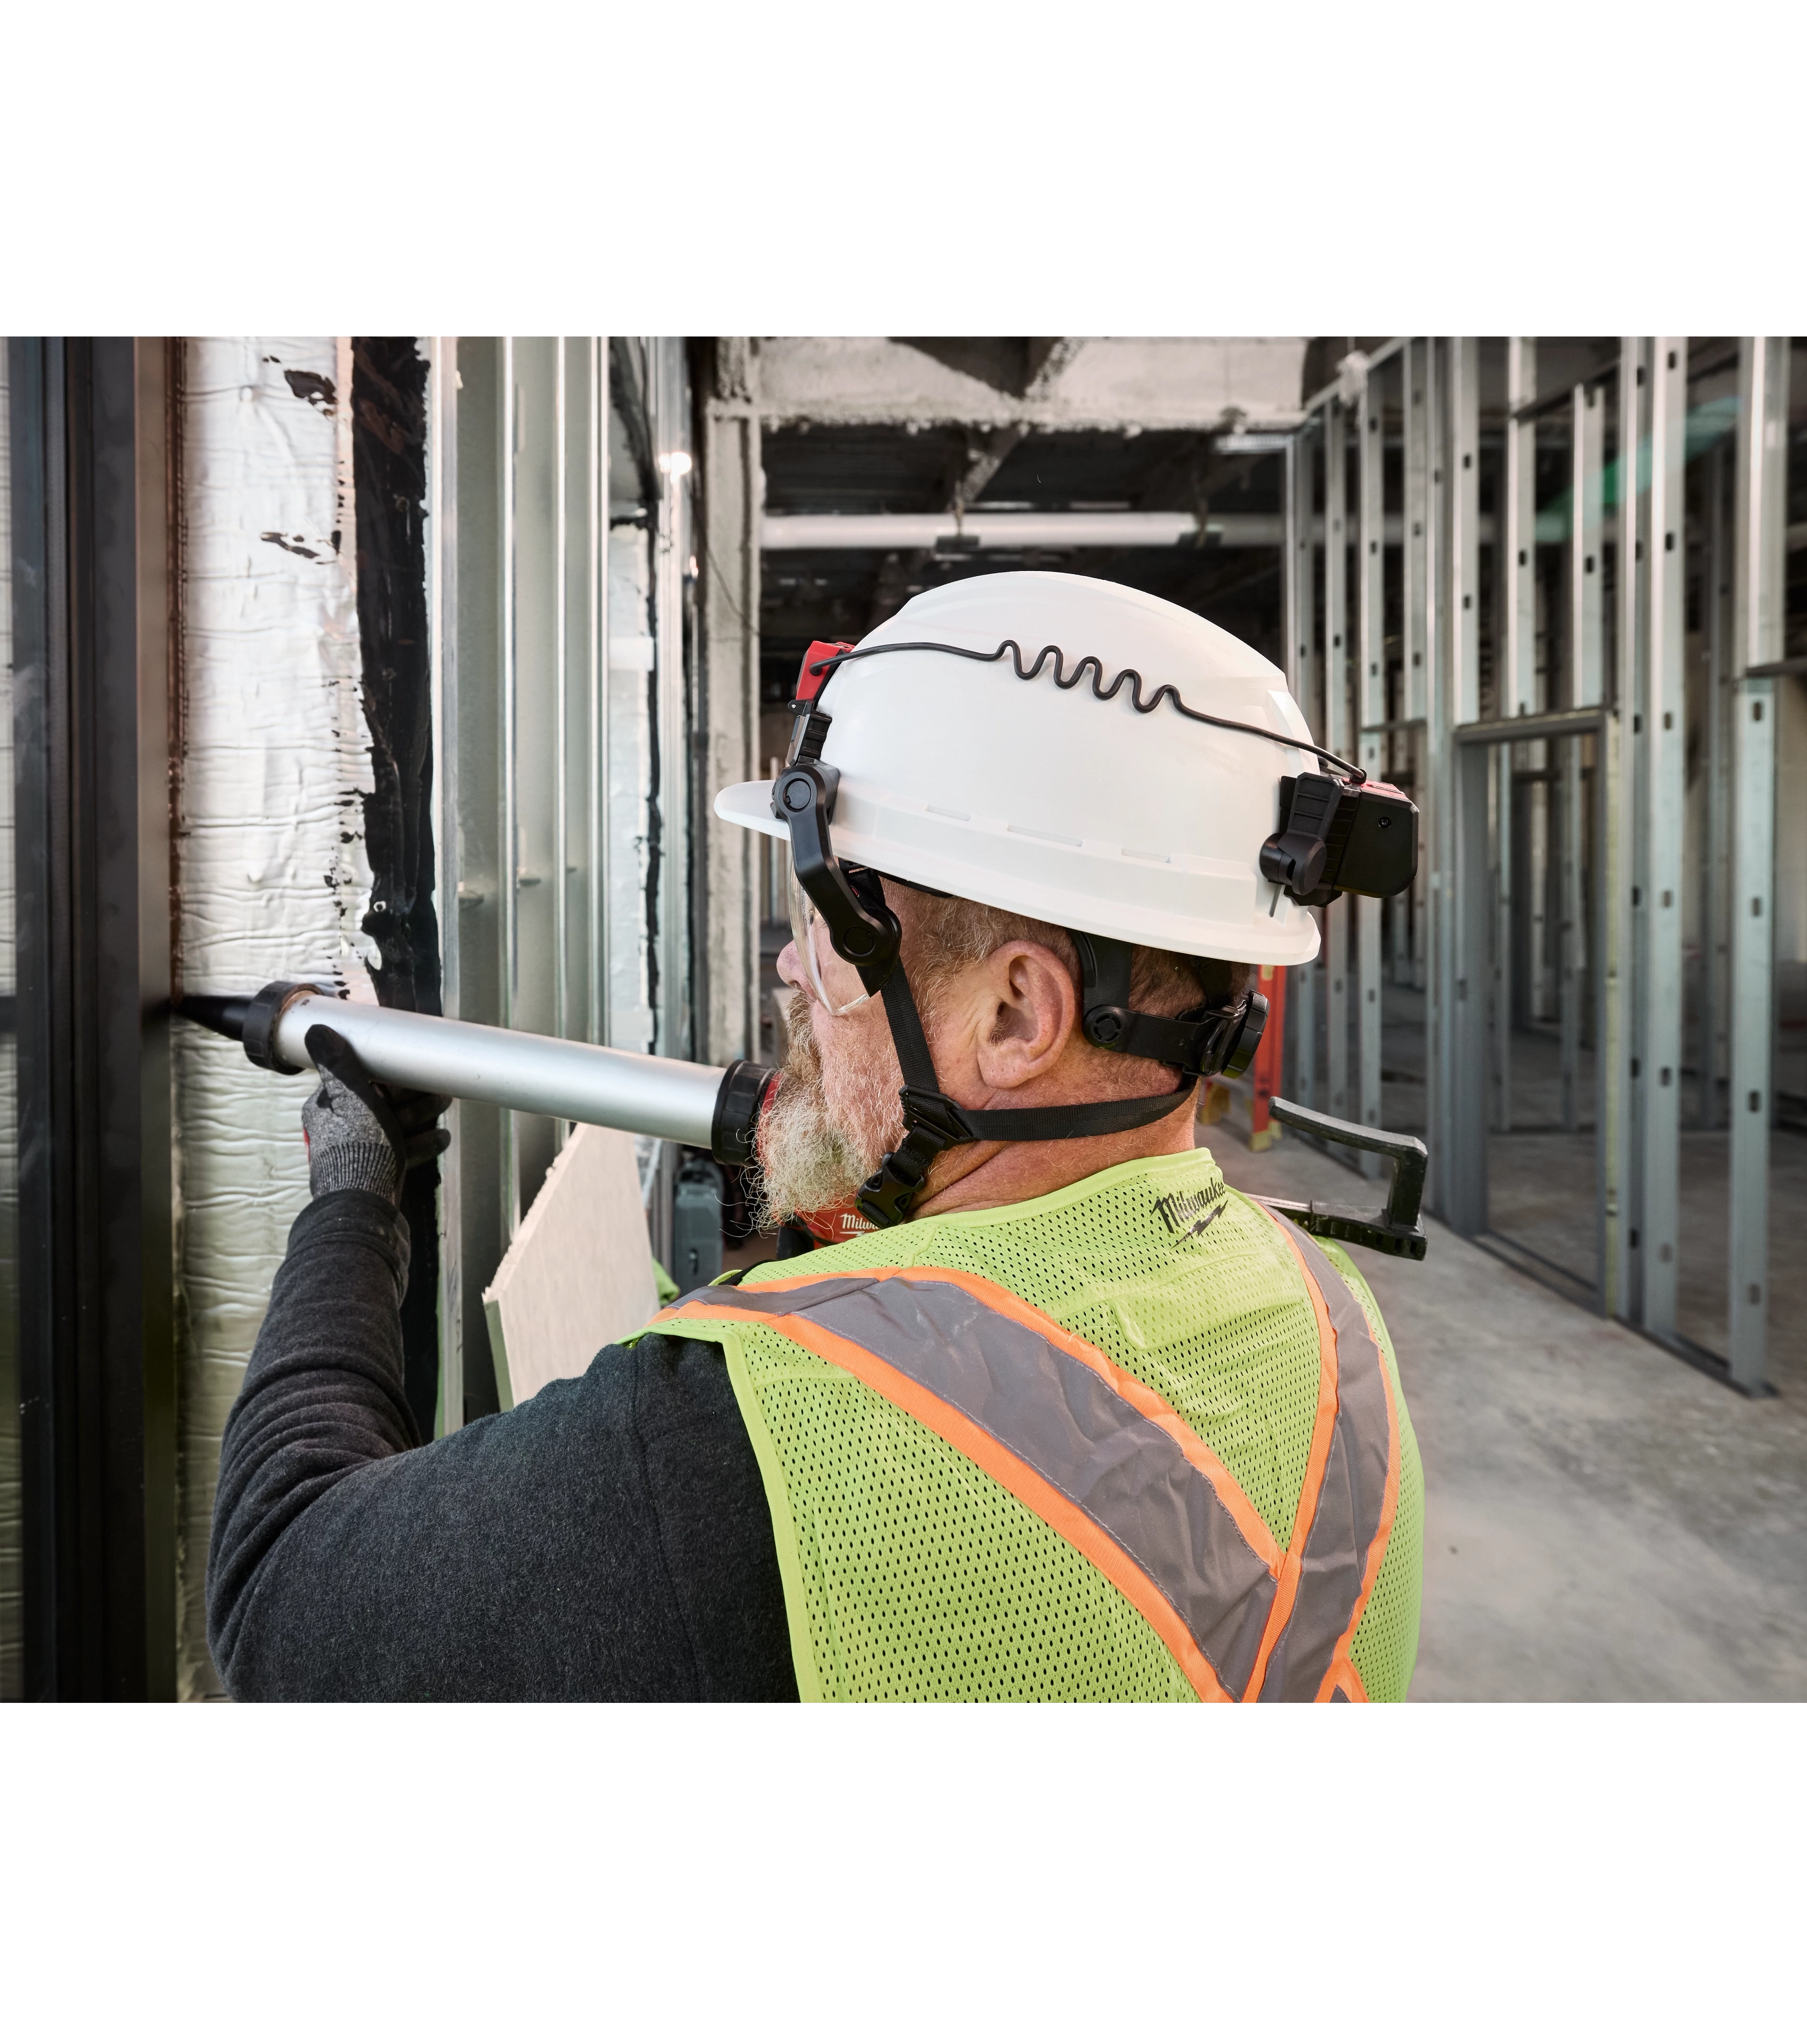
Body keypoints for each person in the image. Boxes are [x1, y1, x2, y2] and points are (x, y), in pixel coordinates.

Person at [207, 571, 1423, 1702]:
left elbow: (280, 1597)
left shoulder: (755, 1433)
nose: (791, 966)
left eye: (832, 929)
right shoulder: (1328, 1313)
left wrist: (357, 1190)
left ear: (1016, 1015)